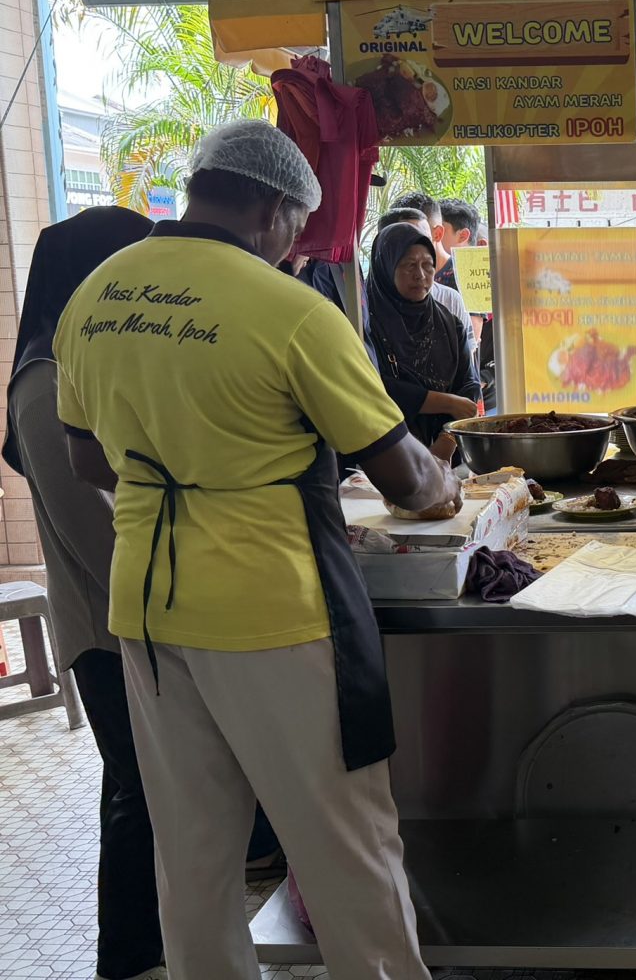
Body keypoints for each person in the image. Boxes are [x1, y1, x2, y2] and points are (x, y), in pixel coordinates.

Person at [54, 120, 459, 980]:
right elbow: (408, 481)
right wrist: (449, 488)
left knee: (194, 854)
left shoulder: (96, 295)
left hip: (149, 611)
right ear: (276, 209)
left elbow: (88, 458)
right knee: (347, 844)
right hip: (274, 613)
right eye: (296, 231)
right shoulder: (289, 310)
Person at [3, 207, 167, 980]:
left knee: (144, 789)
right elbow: (95, 530)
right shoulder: (43, 382)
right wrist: (176, 603)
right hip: (110, 624)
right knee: (138, 793)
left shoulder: (84, 362)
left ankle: (144, 950)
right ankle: (131, 960)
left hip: (133, 614)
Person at [367, 222, 482, 459]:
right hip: (386, 457)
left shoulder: (448, 323)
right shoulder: (365, 322)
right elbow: (374, 387)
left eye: (428, 265)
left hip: (448, 455)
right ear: (386, 267)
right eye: (409, 265)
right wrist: (446, 402)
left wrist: (447, 440)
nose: (420, 275)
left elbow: (468, 386)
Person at [379, 206, 478, 382]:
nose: (420, 275)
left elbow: (468, 375)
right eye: (408, 262)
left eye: (423, 240)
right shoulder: (366, 314)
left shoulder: (449, 307)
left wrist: (461, 403)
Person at [440, 198, 497, 413]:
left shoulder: (469, 272)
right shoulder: (432, 272)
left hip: (482, 391)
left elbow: (474, 335)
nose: (432, 234)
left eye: (440, 229)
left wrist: (484, 377)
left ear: (463, 235)